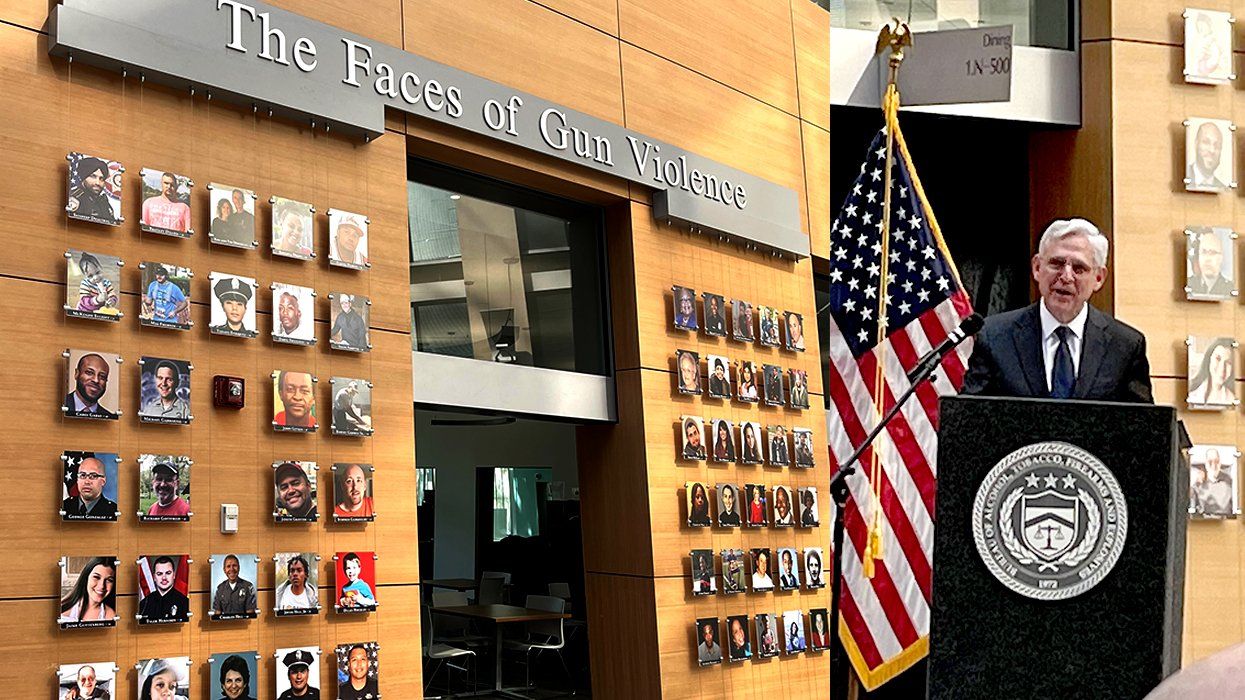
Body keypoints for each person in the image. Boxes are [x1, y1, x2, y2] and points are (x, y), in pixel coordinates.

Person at [961, 218, 1153, 403]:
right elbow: (970, 420)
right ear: (1037, 267)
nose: (1066, 276)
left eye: (1079, 268)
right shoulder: (995, 336)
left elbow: (1144, 427)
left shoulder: (1125, 346)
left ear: (1098, 278)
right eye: (1057, 264)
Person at [59, 557, 116, 623]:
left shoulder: (111, 616)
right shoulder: (62, 606)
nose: (102, 586)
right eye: (96, 577)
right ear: (86, 578)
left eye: (109, 580)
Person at [64, 353, 116, 418]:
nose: (96, 380)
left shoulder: (109, 416)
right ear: (76, 374)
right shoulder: (59, 406)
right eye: (89, 373)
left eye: (102, 376)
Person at [68, 156, 117, 224]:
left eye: (101, 179)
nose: (98, 183)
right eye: (93, 176)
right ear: (83, 178)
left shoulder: (103, 201)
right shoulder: (75, 198)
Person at [138, 556, 189, 622]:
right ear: (154, 577)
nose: (164, 578)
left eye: (168, 573)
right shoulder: (144, 604)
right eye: (159, 574)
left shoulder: (185, 603)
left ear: (174, 575)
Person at [1189, 337, 1235, 406]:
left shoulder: (1232, 400)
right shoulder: (1191, 392)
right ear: (1209, 359)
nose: (1222, 368)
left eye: (1228, 362)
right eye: (1218, 359)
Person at [1189, 229, 1233, 297]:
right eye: (1204, 252)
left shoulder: (1230, 288)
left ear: (1221, 258)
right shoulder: (1188, 284)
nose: (1207, 259)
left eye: (1213, 253)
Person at [1188, 121, 1228, 190]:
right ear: (1196, 144)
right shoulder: (1182, 177)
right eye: (1206, 142)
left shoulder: (1224, 189)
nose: (1212, 150)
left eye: (1217, 145)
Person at [1197, 448, 1235, 516]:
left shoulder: (1230, 483)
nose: (1213, 465)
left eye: (1216, 461)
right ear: (1206, 464)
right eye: (1210, 462)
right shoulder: (1197, 485)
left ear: (1220, 463)